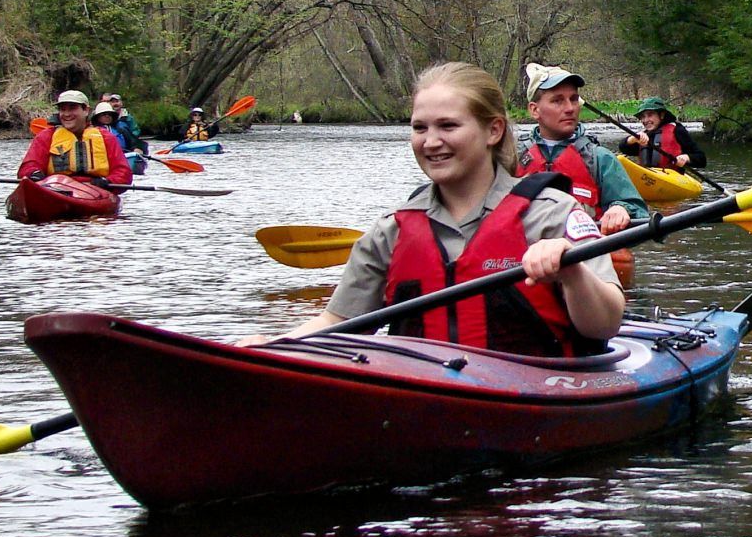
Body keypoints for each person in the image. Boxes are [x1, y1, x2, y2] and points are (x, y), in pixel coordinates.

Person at [237, 62, 625, 357]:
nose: (431, 141)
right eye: (420, 128)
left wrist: (572, 272)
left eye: (448, 126)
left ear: (493, 131)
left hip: (536, 395)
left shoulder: (551, 213)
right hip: (428, 396)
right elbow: (337, 324)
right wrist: (274, 345)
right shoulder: (392, 230)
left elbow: (605, 325)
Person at [517, 63, 648, 234]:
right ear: (535, 110)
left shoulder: (600, 159)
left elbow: (639, 214)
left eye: (573, 99)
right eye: (557, 100)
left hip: (586, 258)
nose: (570, 108)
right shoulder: (511, 158)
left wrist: (621, 209)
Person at [18, 90, 133, 188]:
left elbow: (123, 172)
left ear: (86, 110)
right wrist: (33, 174)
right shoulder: (46, 137)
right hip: (55, 188)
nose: (66, 114)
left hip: (95, 189)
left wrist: (108, 182)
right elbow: (28, 166)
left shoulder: (106, 138)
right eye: (63, 109)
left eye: (72, 108)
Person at [617, 96, 707, 170]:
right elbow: (623, 148)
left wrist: (686, 158)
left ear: (662, 115)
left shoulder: (677, 130)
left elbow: (701, 159)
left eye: (650, 115)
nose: (645, 120)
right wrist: (632, 139)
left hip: (671, 180)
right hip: (648, 179)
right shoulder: (643, 136)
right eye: (643, 117)